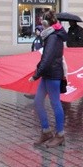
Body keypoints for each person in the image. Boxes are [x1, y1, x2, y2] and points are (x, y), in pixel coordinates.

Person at [29, 10, 67, 148]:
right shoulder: (50, 36)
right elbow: (45, 57)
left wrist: (36, 74)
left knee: (55, 103)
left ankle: (60, 135)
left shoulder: (53, 37)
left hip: (53, 74)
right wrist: (39, 71)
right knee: (38, 101)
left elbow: (48, 57)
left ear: (46, 24)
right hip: (48, 74)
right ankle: (46, 131)